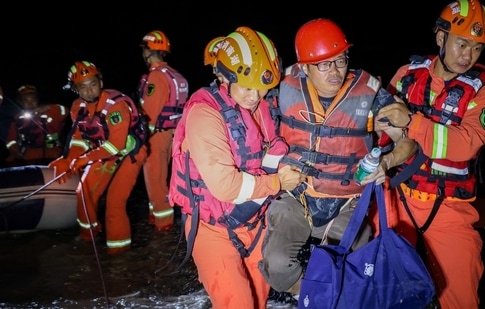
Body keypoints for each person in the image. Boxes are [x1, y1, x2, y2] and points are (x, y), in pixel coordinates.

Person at [258, 17, 417, 299]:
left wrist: (386, 163)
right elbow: (246, 106)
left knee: (350, 268)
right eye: (324, 64)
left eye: (341, 60)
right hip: (299, 196)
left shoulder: (369, 93)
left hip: (347, 201)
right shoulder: (282, 87)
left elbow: (408, 142)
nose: (335, 71)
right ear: (305, 66)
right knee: (277, 266)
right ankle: (307, 295)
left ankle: (336, 296)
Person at [375, 1, 485, 308]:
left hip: (449, 207)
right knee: (380, 286)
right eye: (461, 44)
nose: (467, 56)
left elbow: (464, 144)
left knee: (460, 294)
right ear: (441, 38)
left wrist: (412, 123)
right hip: (400, 197)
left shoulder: (483, 94)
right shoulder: (407, 74)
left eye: (476, 48)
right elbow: (379, 124)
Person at [168, 27, 304, 309]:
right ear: (223, 77)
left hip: (254, 221)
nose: (256, 96)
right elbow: (226, 186)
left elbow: (273, 147)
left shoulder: (257, 106)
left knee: (259, 300)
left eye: (262, 88)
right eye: (248, 87)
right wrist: (278, 182)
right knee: (238, 303)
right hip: (212, 228)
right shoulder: (204, 114)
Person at [49, 60, 147, 255]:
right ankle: (89, 237)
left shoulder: (116, 106)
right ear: (76, 90)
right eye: (82, 87)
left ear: (101, 82)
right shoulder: (78, 108)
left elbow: (117, 145)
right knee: (83, 191)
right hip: (103, 153)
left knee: (114, 202)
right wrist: (68, 159)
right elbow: (79, 139)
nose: (89, 91)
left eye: (93, 84)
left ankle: (119, 255)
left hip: (129, 154)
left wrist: (85, 159)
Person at [137, 30, 189, 232]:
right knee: (161, 179)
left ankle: (163, 227)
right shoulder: (176, 75)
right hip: (172, 134)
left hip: (156, 136)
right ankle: (155, 217)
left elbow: (150, 112)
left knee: (156, 182)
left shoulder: (156, 77)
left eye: (144, 50)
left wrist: (140, 138)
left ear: (149, 51)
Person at [4, 84, 69, 166]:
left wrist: (48, 107)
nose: (30, 103)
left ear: (37, 100)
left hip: (53, 155)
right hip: (28, 157)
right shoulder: (17, 119)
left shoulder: (51, 112)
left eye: (33, 99)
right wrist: (14, 149)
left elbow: (65, 111)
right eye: (25, 100)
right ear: (20, 102)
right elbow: (10, 141)